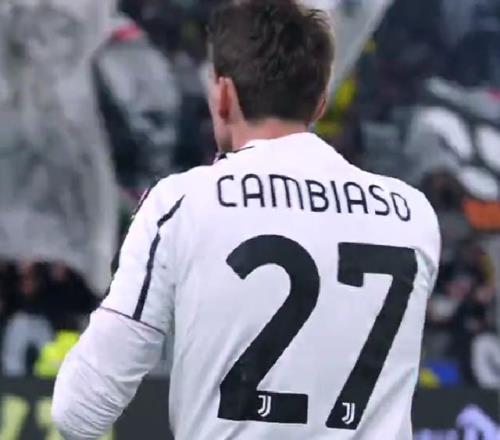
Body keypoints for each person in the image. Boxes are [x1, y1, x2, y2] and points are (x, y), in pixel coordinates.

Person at [51, 1, 441, 439]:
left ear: (223, 94)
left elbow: (79, 411)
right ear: (319, 102)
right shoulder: (411, 214)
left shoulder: (181, 205)